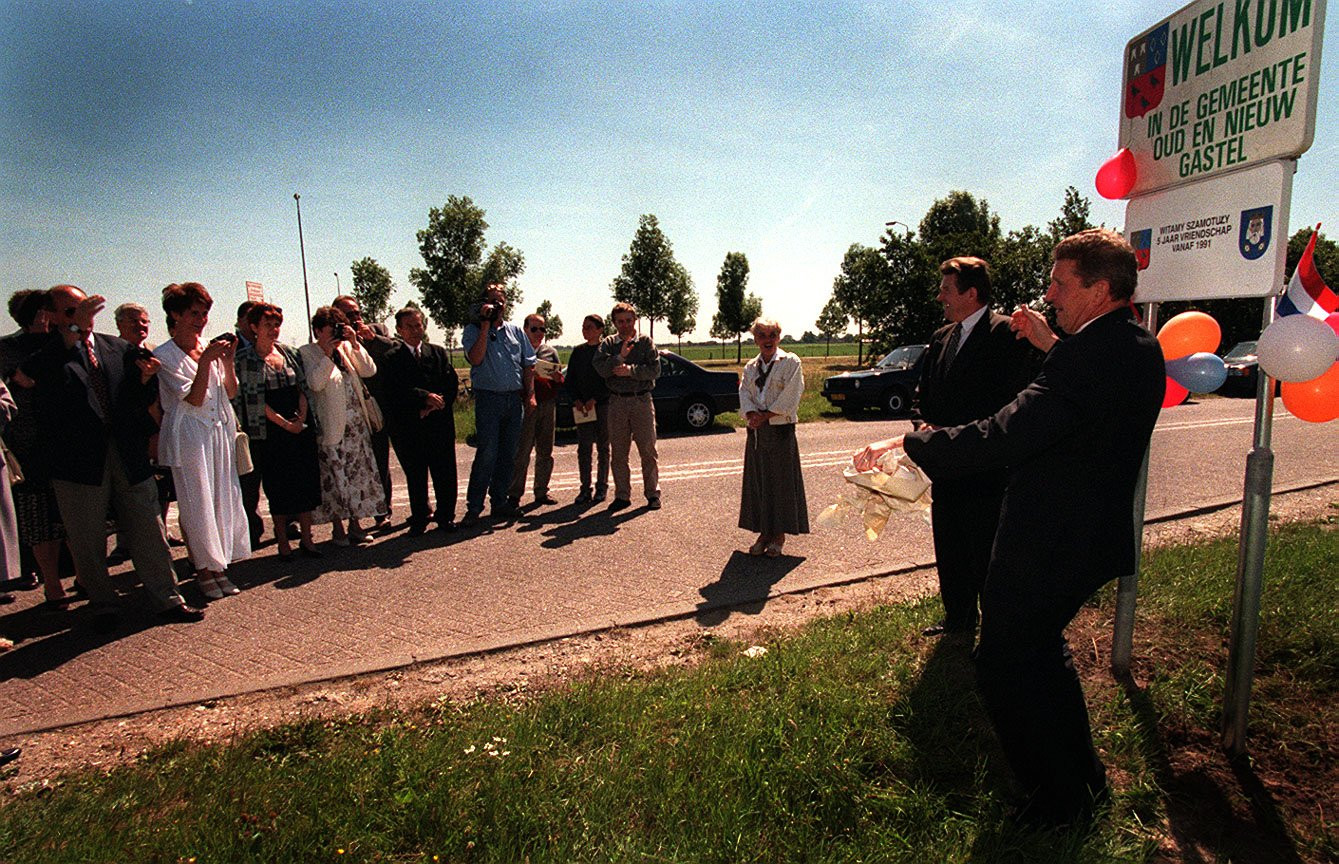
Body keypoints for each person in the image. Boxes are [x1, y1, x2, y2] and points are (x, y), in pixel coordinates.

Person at [855, 229, 1165, 829]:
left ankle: (1055, 804)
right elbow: (1073, 406)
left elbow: (1007, 430)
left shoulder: (1088, 355)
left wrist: (911, 443)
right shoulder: (1134, 345)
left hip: (1051, 537)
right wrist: (1053, 345)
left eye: (1060, 282)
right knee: (1039, 654)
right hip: (1085, 534)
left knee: (1005, 662)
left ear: (1100, 289)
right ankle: (1083, 783)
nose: (1048, 293)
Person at [21, 285, 202, 627]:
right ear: (54, 317)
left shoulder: (115, 348)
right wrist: (74, 332)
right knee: (87, 536)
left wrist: (146, 378)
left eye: (85, 309)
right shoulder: (44, 351)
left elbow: (135, 395)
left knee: (149, 527)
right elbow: (27, 377)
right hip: (77, 462)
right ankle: (103, 603)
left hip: (127, 454)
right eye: (72, 312)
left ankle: (167, 599)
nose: (84, 318)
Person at [913, 257, 1038, 637]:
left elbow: (1013, 402)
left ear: (971, 293)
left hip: (986, 467)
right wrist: (923, 426)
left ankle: (995, 632)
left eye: (946, 290)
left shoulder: (1006, 334)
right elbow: (922, 395)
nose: (940, 297)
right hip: (946, 467)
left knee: (986, 551)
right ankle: (959, 619)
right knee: (950, 546)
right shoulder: (941, 338)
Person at [154, 282, 251, 599]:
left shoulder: (208, 348)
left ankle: (219, 565)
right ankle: (202, 570)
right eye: (194, 313)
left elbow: (230, 392)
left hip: (216, 432)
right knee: (197, 504)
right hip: (189, 436)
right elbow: (194, 399)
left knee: (222, 498)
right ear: (175, 314)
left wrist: (227, 361)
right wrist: (207, 361)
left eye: (205, 313)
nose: (201, 320)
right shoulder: (164, 356)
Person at [0, 290, 74, 607]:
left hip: (67, 438)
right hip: (29, 442)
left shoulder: (61, 343)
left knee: (74, 512)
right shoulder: (8, 348)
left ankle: (83, 576)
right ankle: (52, 585)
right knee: (38, 514)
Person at [233, 302, 323, 559]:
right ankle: (282, 542)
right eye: (267, 325)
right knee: (278, 488)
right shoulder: (244, 360)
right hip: (269, 432)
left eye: (276, 325)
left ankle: (307, 538)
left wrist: (301, 419)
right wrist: (285, 424)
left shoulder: (290, 352)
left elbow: (302, 389)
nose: (273, 330)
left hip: (299, 427)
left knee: (305, 483)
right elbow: (254, 401)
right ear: (253, 327)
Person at [301, 306, 386, 545]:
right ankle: (338, 529)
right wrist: (327, 354)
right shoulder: (308, 353)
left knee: (357, 478)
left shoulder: (346, 348)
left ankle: (356, 525)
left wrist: (354, 343)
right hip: (332, 427)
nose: (335, 335)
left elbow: (369, 370)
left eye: (338, 329)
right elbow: (315, 384)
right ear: (318, 331)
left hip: (356, 427)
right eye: (330, 330)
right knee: (335, 479)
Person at [461, 283, 534, 523]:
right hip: (488, 399)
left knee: (508, 454)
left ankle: (500, 501)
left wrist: (530, 394)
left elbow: (528, 365)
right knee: (487, 453)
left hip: (513, 400)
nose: (498, 305)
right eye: (492, 300)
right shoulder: (472, 331)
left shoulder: (515, 332)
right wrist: (484, 325)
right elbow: (476, 358)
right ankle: (474, 507)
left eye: (501, 300)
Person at [382, 306, 459, 534]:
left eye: (419, 325)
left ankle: (446, 516)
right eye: (410, 326)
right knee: (416, 475)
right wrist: (423, 400)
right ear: (399, 330)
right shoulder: (391, 358)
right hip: (410, 426)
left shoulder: (437, 353)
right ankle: (420, 517)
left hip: (439, 424)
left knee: (444, 473)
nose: (416, 330)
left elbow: (449, 383)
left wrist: (436, 406)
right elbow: (394, 391)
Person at [738, 318, 808, 557]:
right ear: (755, 339)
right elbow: (745, 392)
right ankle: (764, 533)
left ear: (779, 337)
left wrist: (766, 415)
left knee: (781, 483)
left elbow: (791, 396)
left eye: (772, 335)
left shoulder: (790, 363)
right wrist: (751, 414)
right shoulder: (751, 366)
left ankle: (779, 536)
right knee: (759, 482)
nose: (767, 340)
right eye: (762, 336)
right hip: (756, 432)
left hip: (780, 430)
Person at [332, 295, 397, 533]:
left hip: (376, 408)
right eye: (349, 315)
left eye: (357, 313)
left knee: (381, 460)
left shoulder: (376, 330)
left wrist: (372, 339)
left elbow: (395, 352)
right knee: (356, 464)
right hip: (350, 411)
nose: (356, 318)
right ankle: (355, 515)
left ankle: (383, 512)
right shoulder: (335, 339)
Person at [592, 301, 660, 511]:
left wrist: (631, 371)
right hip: (617, 402)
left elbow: (655, 370)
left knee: (648, 449)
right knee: (619, 452)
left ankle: (652, 493)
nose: (625, 325)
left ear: (635, 320)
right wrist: (618, 357)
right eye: (620, 321)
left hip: (641, 400)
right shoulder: (608, 344)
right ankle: (622, 495)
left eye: (628, 320)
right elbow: (601, 369)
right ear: (614, 323)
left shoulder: (646, 342)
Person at [506, 313, 563, 508]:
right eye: (534, 329)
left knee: (545, 451)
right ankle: (514, 495)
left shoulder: (550, 351)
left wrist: (557, 380)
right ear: (525, 329)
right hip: (526, 406)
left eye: (542, 329)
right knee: (522, 452)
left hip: (547, 405)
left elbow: (559, 380)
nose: (539, 333)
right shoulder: (517, 350)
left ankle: (541, 491)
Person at [565, 313, 610, 504]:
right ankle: (585, 488)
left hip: (602, 406)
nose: (585, 331)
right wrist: (576, 400)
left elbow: (608, 380)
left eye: (589, 327)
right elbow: (570, 380)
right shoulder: (578, 352)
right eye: (584, 327)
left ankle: (602, 488)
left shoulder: (606, 351)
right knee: (584, 448)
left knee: (603, 448)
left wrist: (595, 399)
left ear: (600, 330)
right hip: (582, 408)